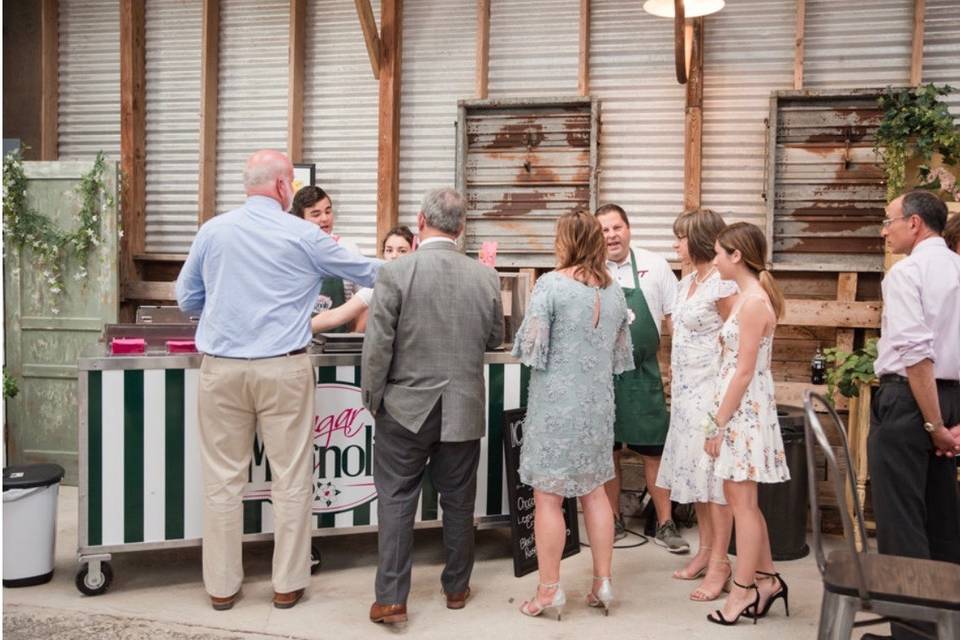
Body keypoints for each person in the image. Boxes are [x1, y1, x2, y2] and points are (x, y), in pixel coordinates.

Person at [176, 150, 380, 611]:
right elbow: (369, 271)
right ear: (285, 186)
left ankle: (222, 588)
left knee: (223, 480)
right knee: (290, 476)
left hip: (222, 369)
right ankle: (287, 583)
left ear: (249, 185)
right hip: (283, 368)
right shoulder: (304, 234)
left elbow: (187, 297)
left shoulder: (213, 231)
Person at [361, 188, 503, 625]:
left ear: (421, 221)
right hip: (462, 405)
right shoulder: (486, 278)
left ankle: (391, 598)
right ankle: (457, 588)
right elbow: (495, 337)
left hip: (404, 407)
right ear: (461, 228)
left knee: (396, 500)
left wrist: (374, 398)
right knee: (459, 502)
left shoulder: (396, 272)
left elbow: (377, 346)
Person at [513, 211, 634, 620]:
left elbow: (531, 349)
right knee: (596, 492)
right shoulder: (615, 291)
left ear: (565, 241)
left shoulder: (551, 284)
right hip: (599, 405)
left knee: (548, 498)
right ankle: (602, 582)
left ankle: (548, 591)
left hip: (556, 407)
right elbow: (621, 356)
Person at [865, 191, 960, 640]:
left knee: (900, 522)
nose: (885, 230)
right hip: (950, 399)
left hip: (911, 402)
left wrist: (934, 424)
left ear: (916, 223)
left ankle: (912, 634)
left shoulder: (906, 273)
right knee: (942, 518)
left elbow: (916, 354)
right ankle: (945, 627)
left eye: (889, 221)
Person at [703, 222, 791, 626]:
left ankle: (741, 593)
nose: (716, 260)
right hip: (737, 409)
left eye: (720, 252)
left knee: (743, 505)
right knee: (741, 500)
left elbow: (743, 371)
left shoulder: (755, 302)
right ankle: (767, 578)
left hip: (743, 413)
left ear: (736, 255)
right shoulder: (744, 298)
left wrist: (718, 423)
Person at [656, 209, 737, 602]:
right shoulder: (686, 281)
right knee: (698, 480)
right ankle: (705, 551)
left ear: (700, 240)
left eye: (681, 237)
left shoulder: (723, 285)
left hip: (712, 395)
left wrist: (724, 402)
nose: (676, 245)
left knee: (715, 482)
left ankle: (722, 562)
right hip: (686, 395)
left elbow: (737, 339)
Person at [595, 203, 685, 552]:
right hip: (603, 376)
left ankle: (665, 522)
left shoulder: (655, 264)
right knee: (609, 452)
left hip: (645, 372)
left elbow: (675, 315)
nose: (611, 235)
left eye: (617, 227)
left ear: (628, 229)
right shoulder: (591, 269)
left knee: (655, 451)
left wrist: (678, 362)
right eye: (603, 230)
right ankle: (613, 519)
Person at [309, 226, 415, 333]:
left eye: (402, 251)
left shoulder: (422, 283)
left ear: (414, 253)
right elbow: (336, 315)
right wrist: (299, 331)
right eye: (389, 250)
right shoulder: (377, 287)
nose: (394, 256)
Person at [291, 186, 363, 331]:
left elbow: (366, 299)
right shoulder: (291, 254)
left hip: (338, 344)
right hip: (299, 341)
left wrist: (354, 335)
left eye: (328, 211)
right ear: (300, 219)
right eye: (316, 214)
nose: (325, 218)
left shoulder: (347, 249)